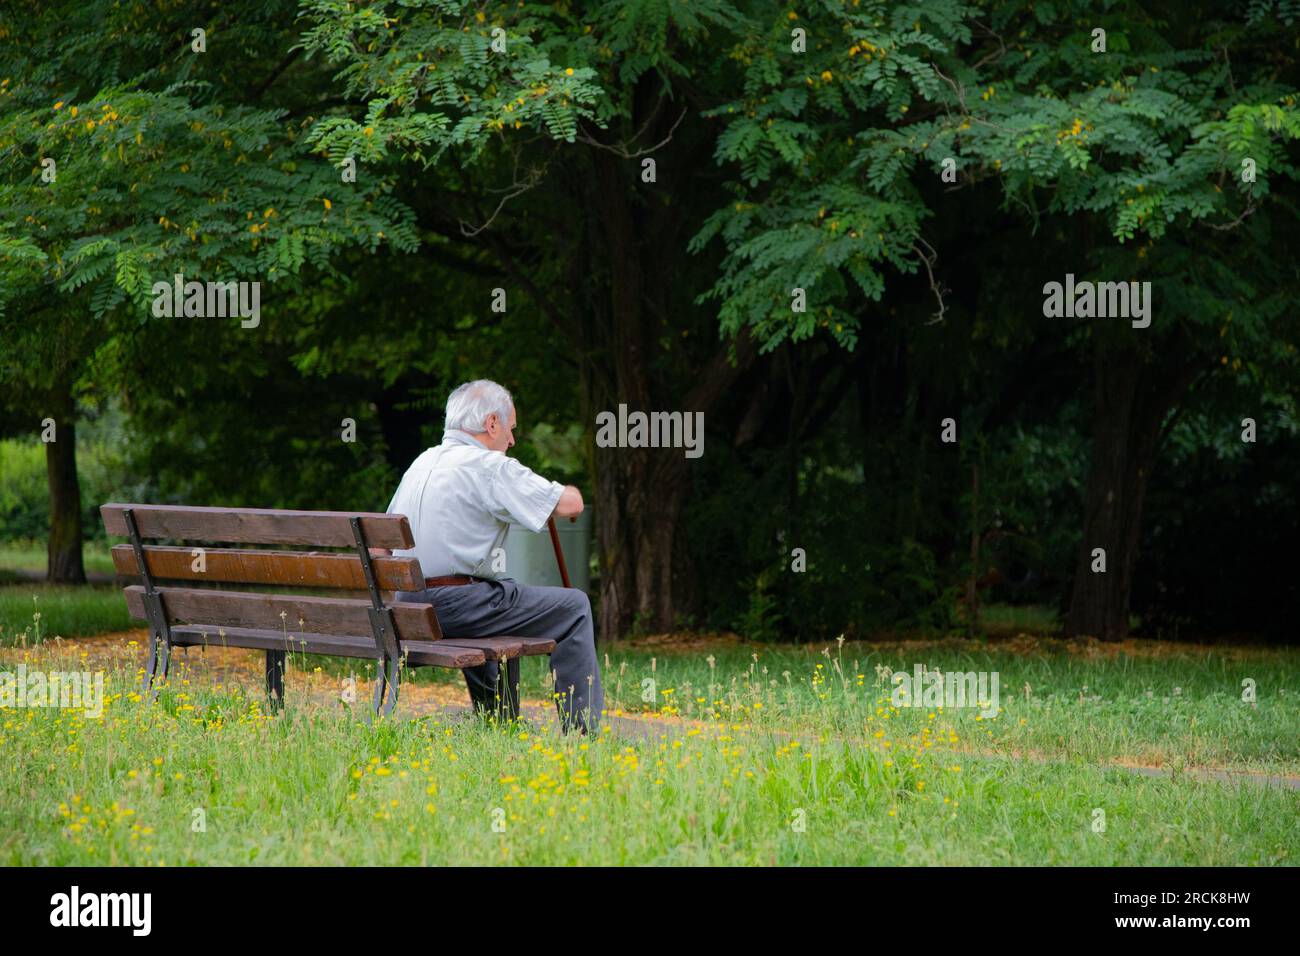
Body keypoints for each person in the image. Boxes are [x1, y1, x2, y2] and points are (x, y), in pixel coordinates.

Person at [379, 379, 603, 733]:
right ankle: (583, 733)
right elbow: (571, 504)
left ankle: (500, 724)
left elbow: (381, 545)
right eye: (511, 428)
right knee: (574, 607)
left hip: (406, 606)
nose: (512, 441)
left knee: (495, 590)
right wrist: (569, 490)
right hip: (453, 606)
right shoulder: (488, 465)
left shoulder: (421, 463)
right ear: (492, 424)